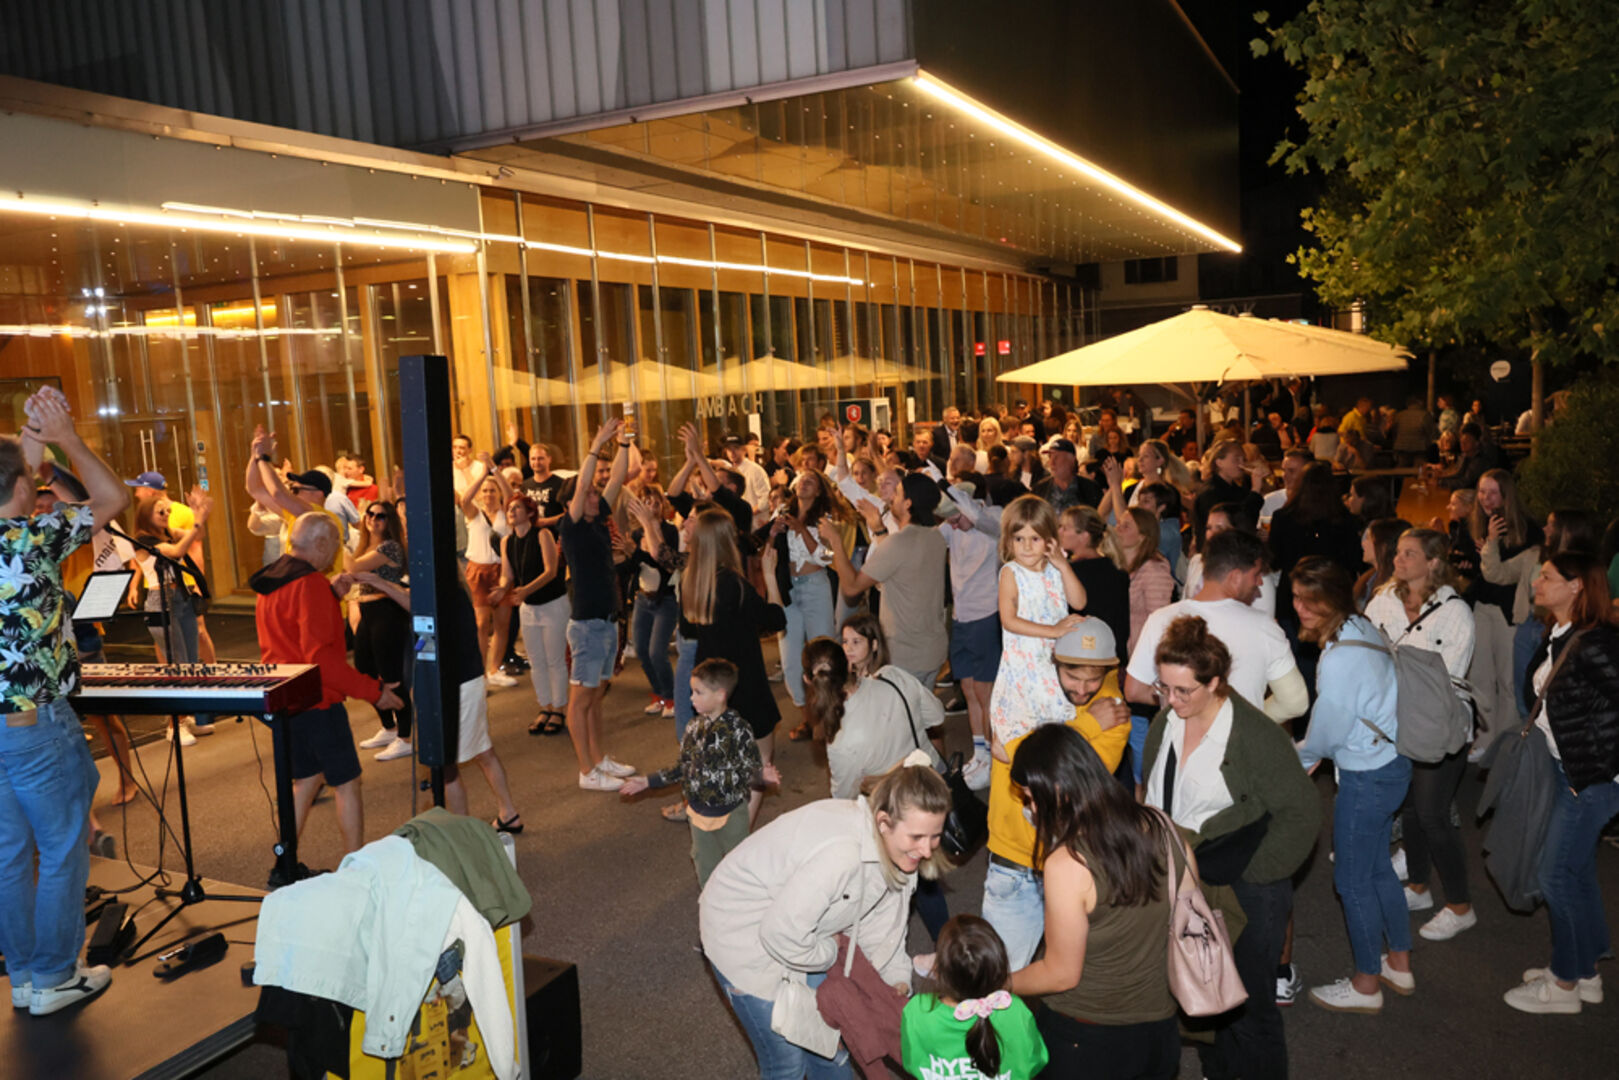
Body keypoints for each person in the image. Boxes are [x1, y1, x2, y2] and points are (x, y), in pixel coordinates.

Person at [1141, 615, 1319, 1080]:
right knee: (1205, 994)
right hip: (1184, 880)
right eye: (1165, 688)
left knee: (1250, 1010)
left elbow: (1302, 813)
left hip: (1245, 888)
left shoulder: (1254, 735)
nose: (1172, 700)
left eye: (1184, 690)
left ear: (1215, 682)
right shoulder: (1166, 723)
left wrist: (1254, 875)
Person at [0, 387, 128, 1015]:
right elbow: (113, 499)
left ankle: (26, 976)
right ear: (25, 488)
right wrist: (67, 438)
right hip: (37, 724)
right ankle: (55, 975)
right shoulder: (34, 537)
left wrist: (30, 435)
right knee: (61, 848)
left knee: (7, 857)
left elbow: (11, 475)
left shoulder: (22, 530)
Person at [699, 763, 950, 1080]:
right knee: (787, 1064)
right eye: (917, 837)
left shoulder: (899, 854)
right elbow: (780, 934)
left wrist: (893, 980)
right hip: (741, 934)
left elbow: (884, 927)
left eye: (935, 836)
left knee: (828, 1047)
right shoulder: (841, 856)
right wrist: (829, 952)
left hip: (801, 927)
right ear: (884, 822)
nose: (926, 850)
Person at [1005, 724, 1185, 1078]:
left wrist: (1001, 983)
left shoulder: (1069, 864)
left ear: (1058, 790)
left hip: (1087, 1039)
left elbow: (1061, 974)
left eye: (1031, 796)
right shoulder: (1163, 826)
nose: (1032, 808)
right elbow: (1183, 913)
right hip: (1159, 1029)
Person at [1291, 556, 1414, 1013]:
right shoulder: (1362, 627)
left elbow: (1327, 730)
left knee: (1352, 879)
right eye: (1296, 598)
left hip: (1366, 775)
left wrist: (1301, 757)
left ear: (1334, 599)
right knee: (1378, 869)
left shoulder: (1341, 654)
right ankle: (1398, 963)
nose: (1301, 608)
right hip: (1392, 764)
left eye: (1311, 600)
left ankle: (1366, 984)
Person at [252, 512, 404, 868]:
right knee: (347, 782)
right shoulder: (309, 585)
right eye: (334, 544)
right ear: (319, 543)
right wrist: (374, 691)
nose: (336, 552)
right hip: (317, 702)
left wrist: (330, 595)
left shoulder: (272, 581)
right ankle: (354, 866)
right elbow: (321, 660)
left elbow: (290, 635)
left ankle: (284, 864)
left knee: (305, 780)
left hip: (285, 699)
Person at [1502, 553, 1619, 1014]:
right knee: (1576, 870)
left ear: (1577, 586)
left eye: (1548, 576)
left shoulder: (1596, 643)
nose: (1537, 581)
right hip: (1565, 770)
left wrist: (1594, 773)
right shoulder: (1560, 633)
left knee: (1555, 875)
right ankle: (1586, 973)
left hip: (1588, 781)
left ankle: (1564, 984)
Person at [981, 618, 1131, 969]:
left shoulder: (1114, 709)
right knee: (998, 974)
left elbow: (1066, 778)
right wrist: (1088, 725)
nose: (1082, 689)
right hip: (1014, 862)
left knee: (1069, 977)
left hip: (1075, 863)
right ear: (1054, 663)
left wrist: (1027, 741)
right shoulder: (1025, 684)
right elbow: (1006, 749)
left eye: (1093, 679)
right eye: (1072, 677)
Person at [1364, 527, 1477, 941]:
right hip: (1396, 721)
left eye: (1409, 553)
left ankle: (1461, 906)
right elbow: (1368, 655)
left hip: (1438, 724)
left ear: (1433, 562)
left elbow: (1448, 681)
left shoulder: (1455, 612)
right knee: (1410, 808)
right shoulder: (1382, 600)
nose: (1398, 559)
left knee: (1432, 814)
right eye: (1398, 551)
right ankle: (1418, 886)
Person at [620, 659, 781, 886]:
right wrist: (648, 781)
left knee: (739, 861)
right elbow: (682, 768)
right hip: (697, 811)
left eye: (698, 692)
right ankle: (709, 899)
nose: (691, 698)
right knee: (704, 862)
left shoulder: (739, 729)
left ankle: (744, 899)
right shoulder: (693, 727)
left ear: (720, 695)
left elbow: (748, 766)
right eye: (692, 691)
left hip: (731, 813)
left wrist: (762, 776)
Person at [1125, 529, 1308, 725]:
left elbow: (1134, 691)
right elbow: (1295, 702)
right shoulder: (1265, 627)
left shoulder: (1161, 619)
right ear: (1235, 577)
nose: (1260, 582)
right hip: (1240, 741)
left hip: (1179, 740)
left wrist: (1176, 698)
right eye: (1256, 574)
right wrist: (1253, 720)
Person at [681, 507, 786, 823]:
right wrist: (769, 575)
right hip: (744, 683)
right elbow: (776, 619)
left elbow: (687, 630)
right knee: (760, 762)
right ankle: (739, 836)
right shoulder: (734, 584)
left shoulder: (691, 581)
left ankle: (714, 826)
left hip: (709, 684)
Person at [559, 419, 635, 791]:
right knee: (580, 700)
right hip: (587, 624)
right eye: (589, 492)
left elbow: (616, 478)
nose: (596, 495)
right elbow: (584, 484)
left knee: (595, 696)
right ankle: (586, 770)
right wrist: (596, 444)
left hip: (606, 620)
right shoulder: (571, 525)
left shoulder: (598, 518)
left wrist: (623, 445)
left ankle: (599, 758)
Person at [821, 473, 949, 688]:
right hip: (932, 650)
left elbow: (851, 587)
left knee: (899, 710)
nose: (891, 499)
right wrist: (879, 529)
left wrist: (835, 540)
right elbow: (900, 563)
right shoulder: (935, 537)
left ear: (908, 503)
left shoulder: (899, 542)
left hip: (906, 656)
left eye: (897, 494)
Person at [987, 495, 1088, 752]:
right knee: (1023, 726)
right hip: (1025, 661)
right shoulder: (1011, 572)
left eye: (1035, 539)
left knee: (1053, 730)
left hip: (1054, 660)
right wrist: (1053, 630)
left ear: (1050, 540)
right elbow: (1008, 620)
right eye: (1018, 539)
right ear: (1008, 540)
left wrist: (1064, 566)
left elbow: (1079, 602)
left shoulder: (1056, 569)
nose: (1026, 547)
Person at [901, 915, 1048, 1080]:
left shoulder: (918, 1011)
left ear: (938, 971)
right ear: (1000, 965)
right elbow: (1035, 1060)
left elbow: (912, 1062)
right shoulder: (1014, 1009)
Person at [1469, 468, 1543, 752]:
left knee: (1508, 680)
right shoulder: (1476, 523)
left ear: (1506, 495)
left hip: (1509, 612)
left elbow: (1506, 574)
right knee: (1480, 676)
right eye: (1482, 491)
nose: (1486, 498)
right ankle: (1484, 740)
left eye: (1493, 493)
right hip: (1481, 606)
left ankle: (1505, 745)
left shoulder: (1527, 529)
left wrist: (1491, 546)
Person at [763, 469, 839, 727]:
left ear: (818, 491)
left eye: (811, 481)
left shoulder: (825, 518)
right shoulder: (782, 512)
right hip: (789, 590)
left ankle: (828, 714)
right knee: (791, 660)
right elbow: (768, 552)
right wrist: (772, 534)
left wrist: (802, 530)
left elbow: (827, 558)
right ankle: (808, 717)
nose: (804, 483)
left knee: (823, 654)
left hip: (816, 586)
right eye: (802, 479)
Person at [349, 500, 414, 762]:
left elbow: (352, 568)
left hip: (387, 612)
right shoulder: (365, 546)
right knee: (364, 671)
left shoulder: (390, 546)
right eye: (370, 514)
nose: (373, 519)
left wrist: (336, 541)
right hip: (367, 612)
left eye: (381, 516)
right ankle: (389, 727)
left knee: (392, 677)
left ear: (390, 522)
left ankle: (406, 737)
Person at [501, 491, 568, 736]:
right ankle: (545, 707)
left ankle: (559, 709)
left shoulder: (543, 534)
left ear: (530, 512)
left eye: (517, 507)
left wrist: (525, 590)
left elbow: (551, 571)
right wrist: (501, 589)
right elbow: (507, 574)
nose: (512, 511)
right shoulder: (507, 541)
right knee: (537, 661)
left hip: (553, 604)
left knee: (555, 660)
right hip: (529, 607)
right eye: (509, 508)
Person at [1269, 460, 1362, 621]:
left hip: (1294, 593)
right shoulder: (1345, 520)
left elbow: (1275, 560)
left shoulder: (1283, 518)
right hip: (1333, 591)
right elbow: (1354, 560)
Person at [458, 455, 516, 688]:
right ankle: (480, 672)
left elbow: (511, 496)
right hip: (478, 570)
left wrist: (495, 471)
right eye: (485, 491)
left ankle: (495, 669)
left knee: (502, 623)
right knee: (481, 624)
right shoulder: (474, 514)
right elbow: (465, 498)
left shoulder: (507, 514)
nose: (489, 494)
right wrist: (482, 475)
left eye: (493, 490)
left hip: (502, 570)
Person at [1057, 505, 1130, 663]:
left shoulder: (1070, 573)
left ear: (1084, 536)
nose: (1059, 532)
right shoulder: (1117, 569)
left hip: (1079, 653)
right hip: (1111, 652)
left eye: (1065, 528)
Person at [1114, 505, 1175, 654]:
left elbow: (1159, 620)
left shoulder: (1155, 570)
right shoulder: (1114, 562)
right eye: (1119, 523)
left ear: (1143, 537)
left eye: (1126, 526)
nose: (1117, 529)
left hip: (1139, 650)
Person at [1193, 439, 1264, 549]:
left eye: (1243, 459)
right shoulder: (1210, 492)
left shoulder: (1237, 489)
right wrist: (1255, 490)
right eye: (1236, 459)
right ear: (1219, 462)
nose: (1241, 464)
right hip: (1218, 551)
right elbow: (1239, 521)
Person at [1354, 517, 1413, 611]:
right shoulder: (1368, 579)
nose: (1363, 543)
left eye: (1368, 538)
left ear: (1383, 547)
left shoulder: (1396, 589)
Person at [1033, 438, 1102, 512]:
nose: (1051, 463)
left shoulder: (1090, 490)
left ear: (1071, 460)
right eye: (1050, 457)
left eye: (1057, 457)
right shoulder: (1040, 490)